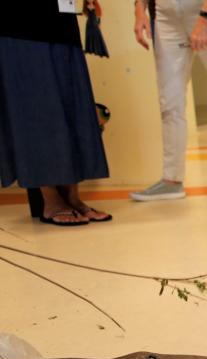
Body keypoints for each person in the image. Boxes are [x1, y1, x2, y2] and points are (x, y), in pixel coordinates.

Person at [130, 0, 207, 205]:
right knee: (170, 103)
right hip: (166, 17)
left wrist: (205, 19)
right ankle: (171, 180)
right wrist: (139, 11)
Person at [0, 1, 112, 226]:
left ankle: (72, 197)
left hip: (61, 18)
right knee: (38, 108)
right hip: (20, 27)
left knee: (70, 103)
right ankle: (50, 200)